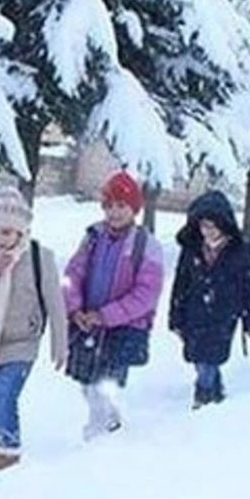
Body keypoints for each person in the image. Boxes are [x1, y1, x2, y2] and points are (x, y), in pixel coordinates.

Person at [0, 186, 66, 474]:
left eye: (6, 232)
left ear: (21, 229)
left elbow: (55, 304)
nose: (0, 238)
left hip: (22, 343)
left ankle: (7, 459)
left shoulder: (39, 256)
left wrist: (60, 342)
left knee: (3, 398)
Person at [62, 170, 163, 437]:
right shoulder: (93, 237)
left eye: (122, 206)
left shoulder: (146, 245)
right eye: (110, 205)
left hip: (121, 327)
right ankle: (108, 420)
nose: (115, 212)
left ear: (134, 209)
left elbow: (145, 294)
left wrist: (106, 315)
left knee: (104, 383)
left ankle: (100, 433)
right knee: (86, 381)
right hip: (88, 324)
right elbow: (72, 274)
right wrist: (75, 308)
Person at [168, 190, 250, 409]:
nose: (207, 232)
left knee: (210, 357)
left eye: (212, 226)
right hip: (195, 312)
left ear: (224, 224)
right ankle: (216, 391)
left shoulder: (239, 251)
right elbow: (180, 284)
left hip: (224, 313)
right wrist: (175, 317)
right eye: (203, 226)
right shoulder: (192, 249)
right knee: (199, 356)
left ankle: (202, 396)